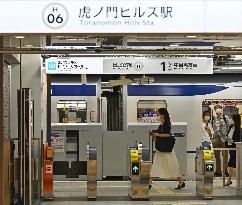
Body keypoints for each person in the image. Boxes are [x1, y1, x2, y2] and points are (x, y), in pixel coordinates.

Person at [149, 108, 185, 190]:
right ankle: (149, 183)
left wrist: (157, 135)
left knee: (172, 166)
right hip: (161, 150)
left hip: (166, 150)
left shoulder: (166, 124)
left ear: (162, 114)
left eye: (158, 114)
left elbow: (168, 135)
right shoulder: (161, 124)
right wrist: (154, 134)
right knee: (156, 165)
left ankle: (181, 182)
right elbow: (161, 134)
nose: (157, 116)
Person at [211, 104, 229, 177]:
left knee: (225, 156)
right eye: (217, 108)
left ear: (221, 109)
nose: (218, 109)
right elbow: (213, 127)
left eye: (219, 108)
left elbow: (228, 127)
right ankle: (218, 171)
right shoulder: (213, 119)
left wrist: (225, 135)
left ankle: (225, 171)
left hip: (224, 139)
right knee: (217, 156)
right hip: (215, 139)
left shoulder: (225, 118)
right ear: (215, 110)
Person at [225, 114, 241, 186]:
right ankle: (229, 179)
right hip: (230, 147)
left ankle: (230, 180)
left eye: (232, 118)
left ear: (235, 120)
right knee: (231, 163)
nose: (230, 119)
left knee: (231, 163)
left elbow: (238, 140)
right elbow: (228, 135)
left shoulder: (239, 129)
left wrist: (232, 141)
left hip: (236, 148)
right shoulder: (231, 127)